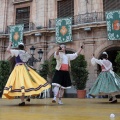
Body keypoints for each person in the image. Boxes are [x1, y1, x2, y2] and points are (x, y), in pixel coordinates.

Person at [2, 41, 51, 106]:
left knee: (20, 84)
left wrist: (10, 44)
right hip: (25, 68)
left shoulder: (17, 52)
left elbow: (8, 50)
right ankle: (28, 96)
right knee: (28, 83)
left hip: (18, 68)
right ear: (23, 47)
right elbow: (27, 60)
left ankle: (23, 101)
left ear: (18, 47)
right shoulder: (26, 53)